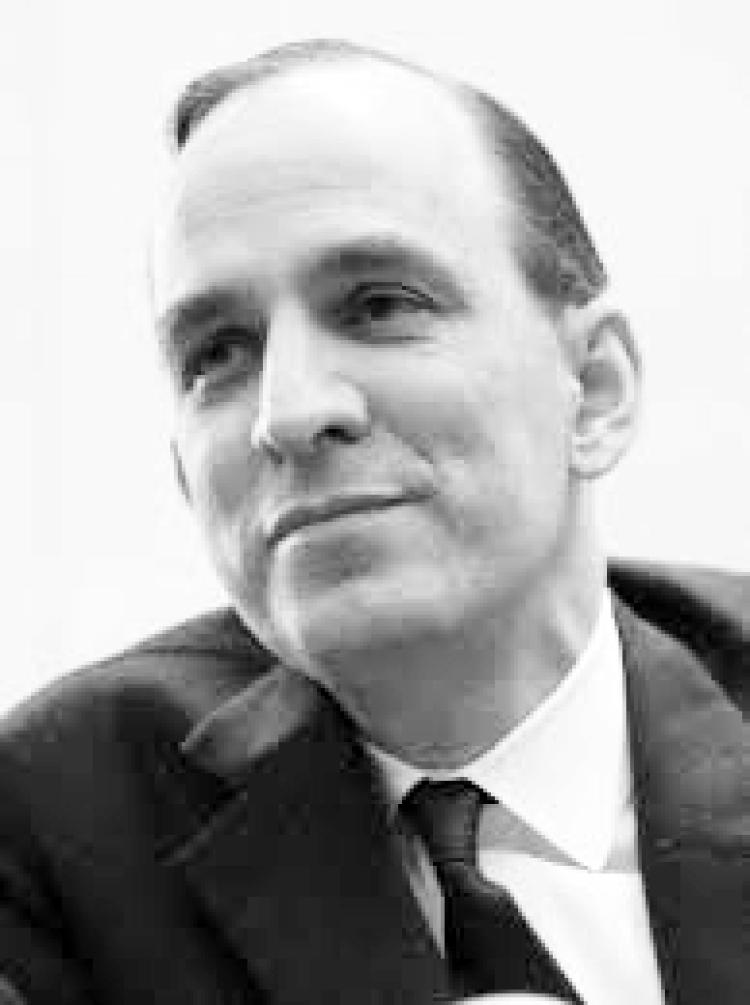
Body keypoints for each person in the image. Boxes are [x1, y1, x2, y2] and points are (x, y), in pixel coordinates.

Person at [0, 39, 746, 1005]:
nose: (288, 411)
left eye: (380, 304)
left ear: (595, 390)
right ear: (184, 472)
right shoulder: (63, 830)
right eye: (217, 353)